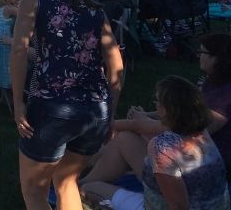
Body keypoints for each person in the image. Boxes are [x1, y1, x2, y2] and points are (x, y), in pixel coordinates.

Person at [10, 0, 123, 210]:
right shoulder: (93, 4)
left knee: (34, 193)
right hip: (96, 108)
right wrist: (110, 112)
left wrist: (17, 103)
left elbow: (19, 52)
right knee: (66, 180)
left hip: (53, 106)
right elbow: (117, 65)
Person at [80, 33, 231, 188]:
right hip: (186, 159)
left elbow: (187, 127)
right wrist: (145, 116)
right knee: (126, 137)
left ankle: (79, 184)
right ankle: (81, 168)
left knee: (125, 139)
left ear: (217, 58)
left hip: (193, 169)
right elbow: (183, 114)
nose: (199, 56)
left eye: (202, 53)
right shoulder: (213, 83)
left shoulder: (225, 96)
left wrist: (130, 123)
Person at [81, 75, 230, 210]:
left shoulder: (162, 147)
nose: (156, 105)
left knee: (89, 188)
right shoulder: (200, 131)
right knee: (125, 138)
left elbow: (179, 207)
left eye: (157, 101)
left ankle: (73, 187)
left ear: (166, 109)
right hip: (212, 203)